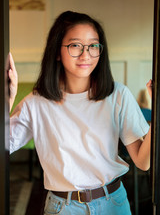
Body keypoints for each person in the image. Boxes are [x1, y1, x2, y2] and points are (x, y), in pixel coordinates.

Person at [9, 11, 152, 215]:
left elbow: (143, 162)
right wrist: (6, 101)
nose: (86, 55)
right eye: (75, 45)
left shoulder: (117, 94)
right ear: (57, 51)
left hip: (114, 204)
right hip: (63, 208)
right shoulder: (36, 103)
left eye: (93, 46)